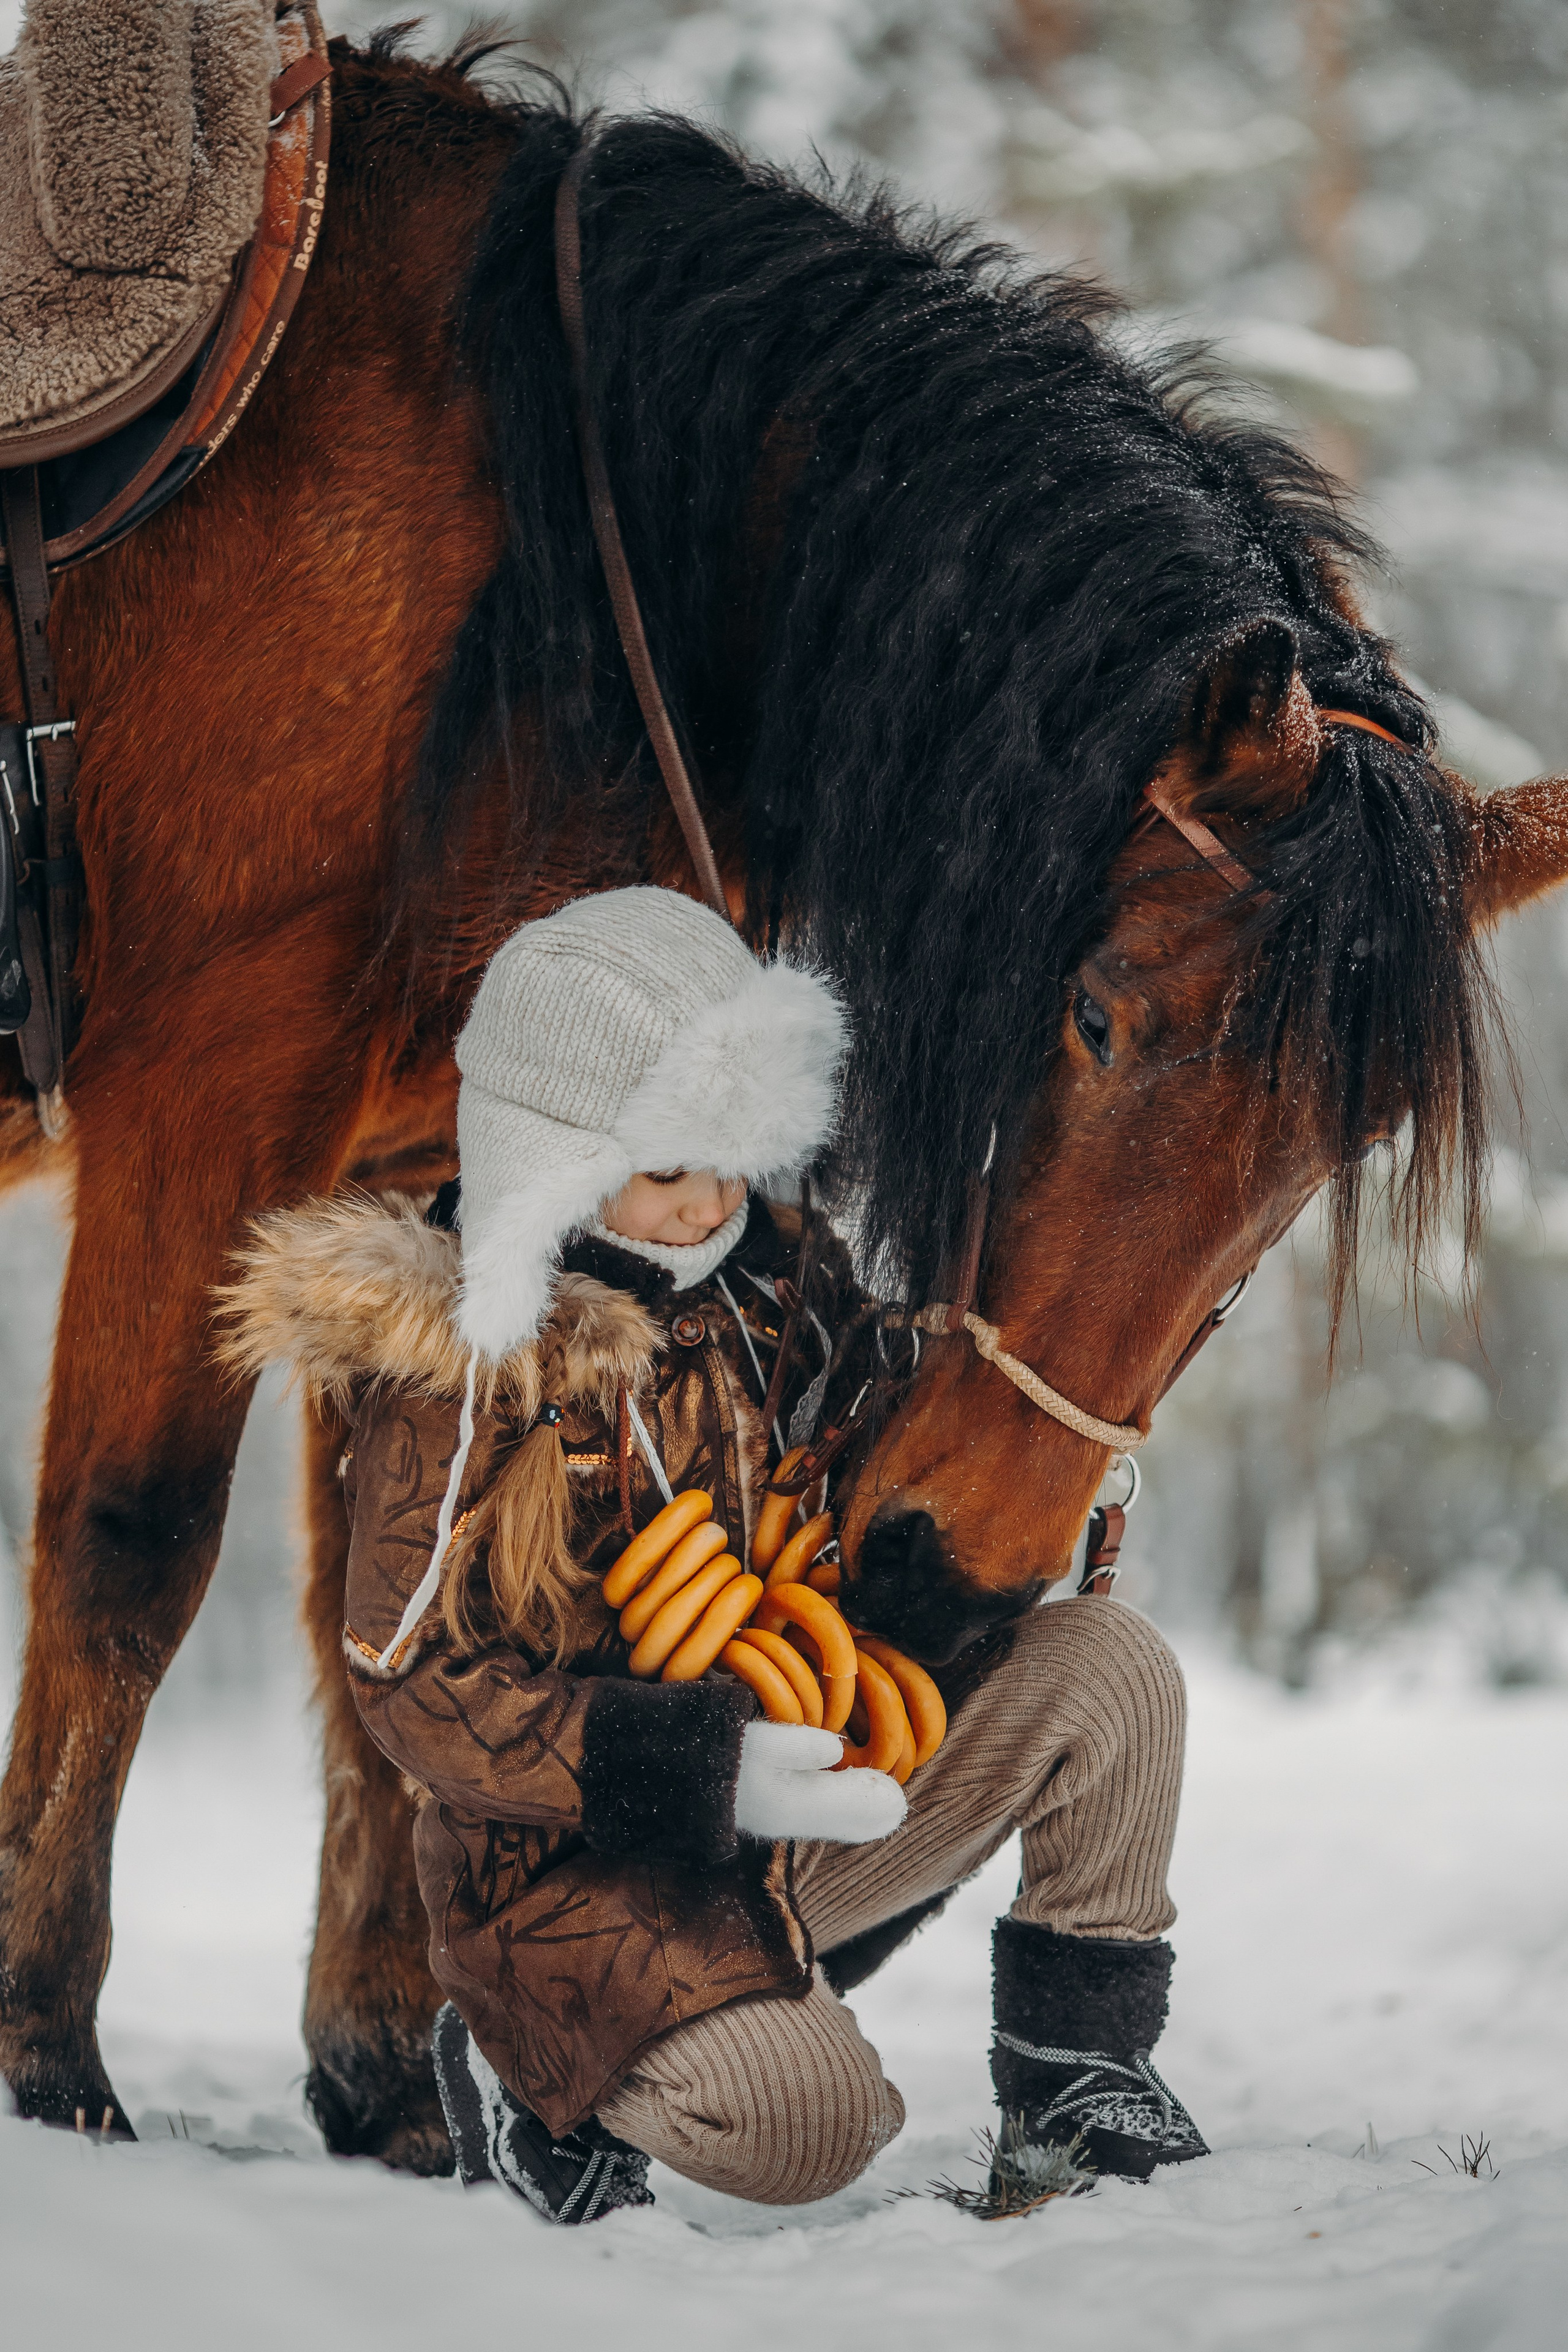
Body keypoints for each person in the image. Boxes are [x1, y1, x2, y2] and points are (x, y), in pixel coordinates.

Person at [224, 884, 1206, 2222]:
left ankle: (1076, 2078)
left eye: (734, 1160)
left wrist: (1019, 1440)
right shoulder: (465, 1375)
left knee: (1110, 1669)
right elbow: (411, 1686)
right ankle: (521, 2071)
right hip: (574, 1889)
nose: (709, 1206)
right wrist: (691, 1766)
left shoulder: (784, 1287)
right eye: (670, 1168)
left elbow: (882, 1444)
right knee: (816, 2134)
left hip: (800, 1819)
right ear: (558, 1156)